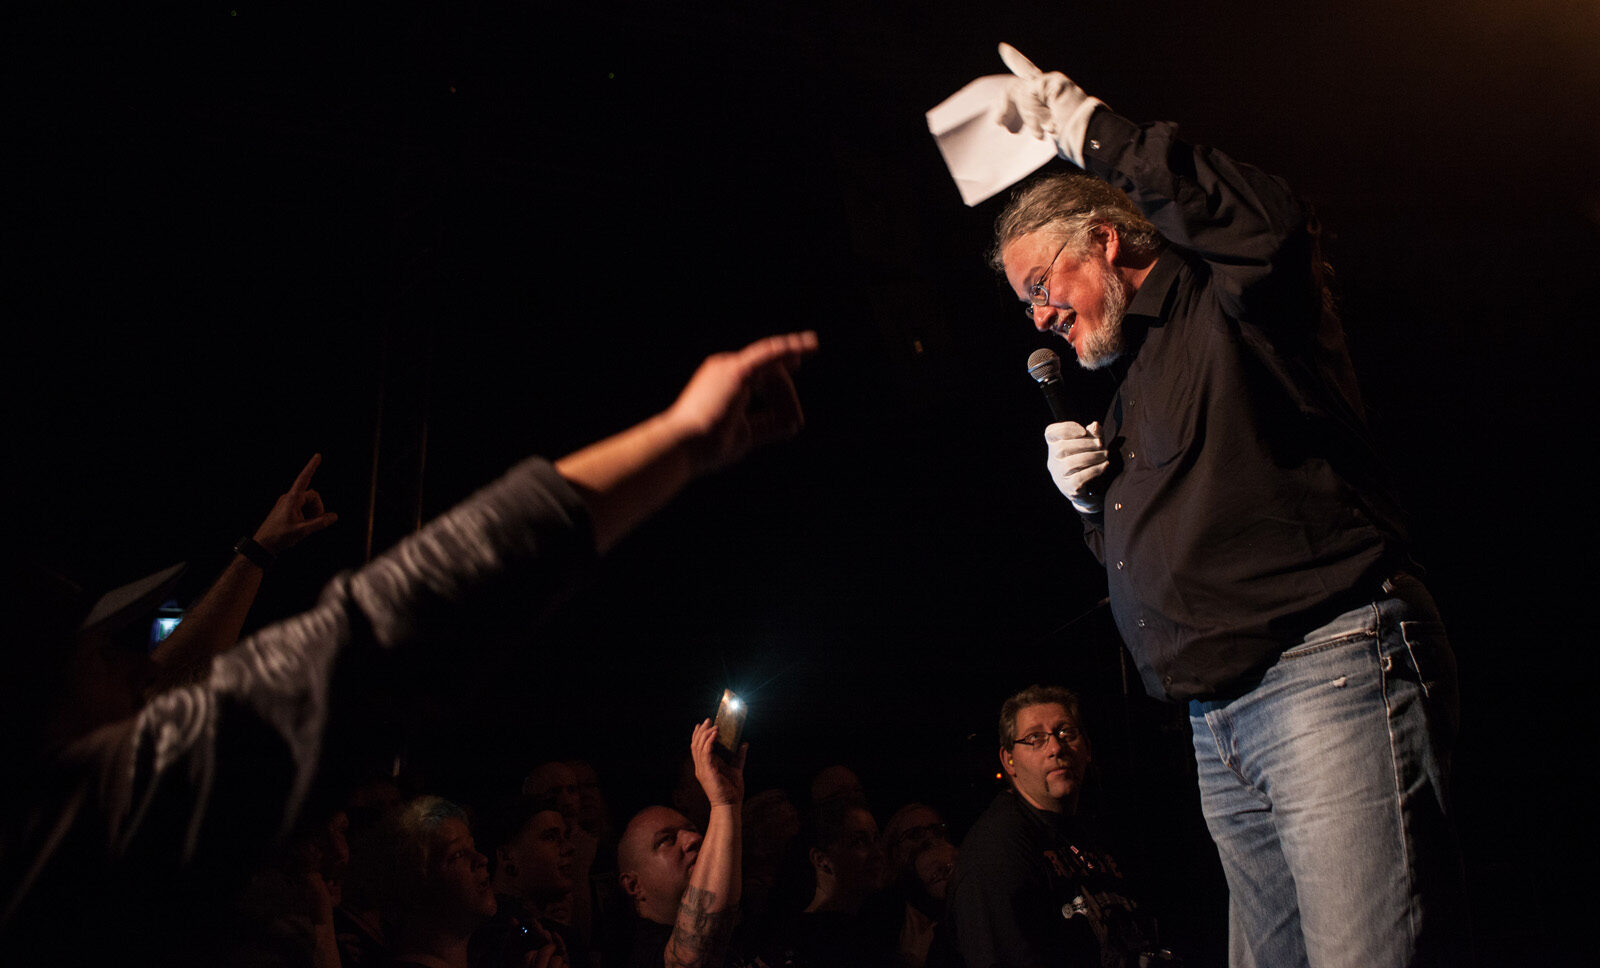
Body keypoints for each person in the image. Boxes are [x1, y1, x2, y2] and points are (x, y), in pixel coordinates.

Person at [0, 331, 819, 967]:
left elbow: (186, 679)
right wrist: (680, 439)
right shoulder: (67, 840)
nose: (140, 665)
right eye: (101, 652)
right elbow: (370, 635)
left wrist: (254, 555)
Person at [985, 42, 1463, 968]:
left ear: (1106, 240)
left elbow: (1268, 228)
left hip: (1325, 674)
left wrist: (1097, 135)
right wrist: (1089, 505)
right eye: (1025, 305)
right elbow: (1146, 558)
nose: (1039, 316)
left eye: (1041, 286)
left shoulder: (1226, 304)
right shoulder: (1130, 390)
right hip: (1218, 724)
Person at [930, 685, 1157, 968]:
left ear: (1087, 749)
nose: (1056, 748)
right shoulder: (997, 851)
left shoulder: (1098, 830)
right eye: (1035, 738)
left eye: (1066, 733)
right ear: (1009, 760)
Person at [613, 720, 746, 968]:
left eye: (692, 830)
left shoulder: (744, 930)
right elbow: (689, 958)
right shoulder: (644, 954)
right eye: (666, 840)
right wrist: (723, 805)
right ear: (633, 885)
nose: (694, 839)